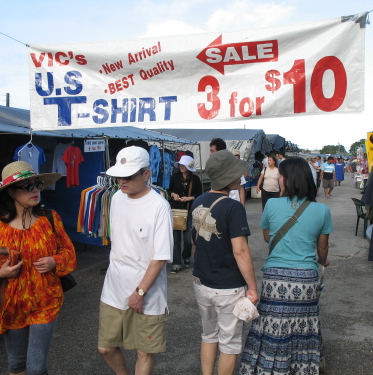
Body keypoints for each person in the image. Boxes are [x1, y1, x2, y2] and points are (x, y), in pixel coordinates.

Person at [0, 161, 76, 375]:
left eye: (37, 184)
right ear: (11, 192)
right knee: (17, 365)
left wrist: (54, 261)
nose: (36, 190)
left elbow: (69, 254)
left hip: (45, 300)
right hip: (11, 303)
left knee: (37, 368)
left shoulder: (50, 219)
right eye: (28, 186)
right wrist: (0, 272)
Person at [240, 157, 332, 375]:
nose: (279, 180)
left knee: (272, 326)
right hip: (306, 279)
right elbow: (323, 249)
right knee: (303, 326)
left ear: (288, 180)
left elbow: (266, 237)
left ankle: (268, 367)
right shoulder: (322, 210)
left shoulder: (271, 204)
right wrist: (322, 260)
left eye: (281, 176)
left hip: (275, 278)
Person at [98, 146, 173, 375]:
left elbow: (160, 258)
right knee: (105, 347)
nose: (121, 181)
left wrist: (140, 292)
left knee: (144, 351)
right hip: (114, 287)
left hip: (147, 293)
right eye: (119, 176)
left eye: (128, 176)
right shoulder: (116, 197)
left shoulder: (159, 206)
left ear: (146, 174)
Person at [191, 150, 259, 375]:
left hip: (202, 282)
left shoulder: (198, 201)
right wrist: (252, 286)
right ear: (227, 177)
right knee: (229, 343)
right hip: (228, 286)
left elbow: (195, 244)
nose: (241, 175)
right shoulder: (233, 207)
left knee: (208, 335)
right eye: (236, 172)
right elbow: (240, 251)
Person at [169, 155, 202, 273]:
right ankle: (176, 263)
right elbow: (169, 190)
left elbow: (200, 195)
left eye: (184, 165)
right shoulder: (174, 177)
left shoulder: (195, 179)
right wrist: (173, 195)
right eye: (181, 164)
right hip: (176, 211)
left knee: (188, 239)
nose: (181, 166)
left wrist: (189, 198)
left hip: (189, 211)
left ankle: (186, 256)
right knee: (176, 239)